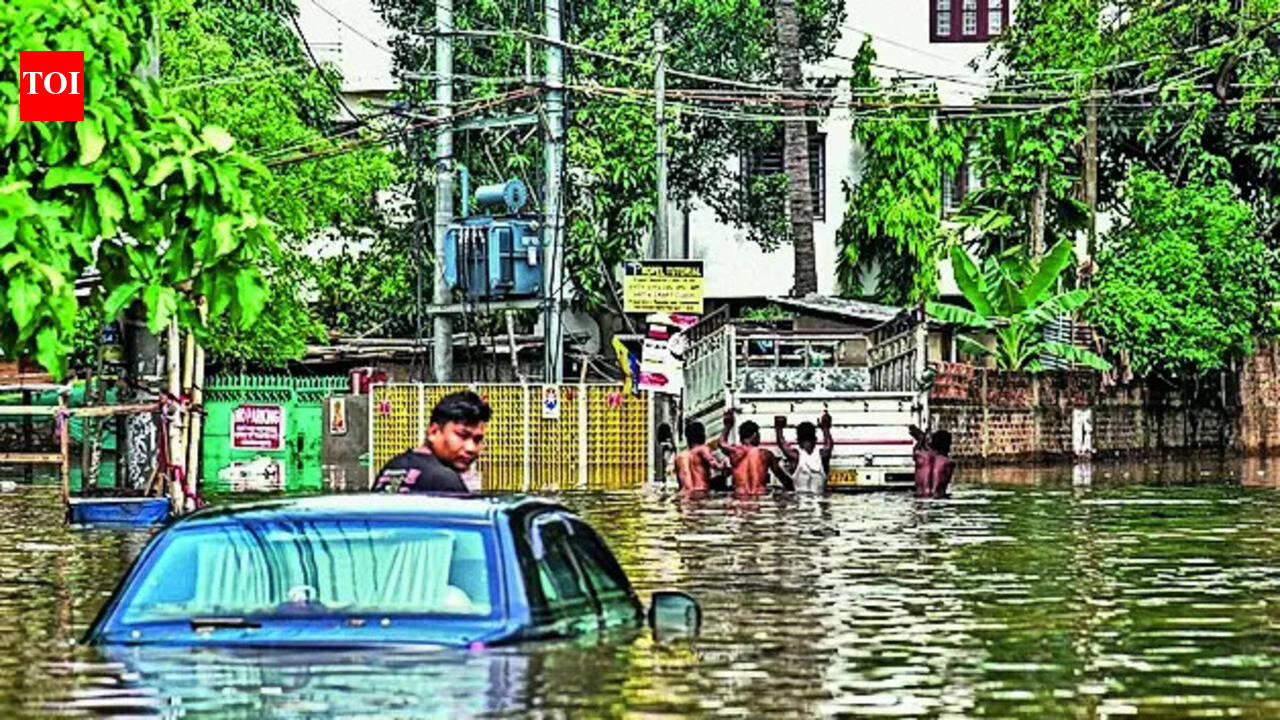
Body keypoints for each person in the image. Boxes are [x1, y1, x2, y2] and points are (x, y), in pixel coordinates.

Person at [372, 391, 491, 494]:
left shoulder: (393, 466)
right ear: (434, 432)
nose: (471, 448)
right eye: (462, 436)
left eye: (478, 440)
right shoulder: (444, 480)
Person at [719, 409, 793, 495]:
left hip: (740, 496)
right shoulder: (765, 454)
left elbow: (721, 442)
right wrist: (793, 487)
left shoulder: (734, 452)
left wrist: (728, 425)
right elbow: (782, 477)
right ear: (755, 435)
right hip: (759, 495)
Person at [775, 412, 834, 493]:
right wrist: (825, 427)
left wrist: (779, 428)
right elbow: (829, 445)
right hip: (819, 501)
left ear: (798, 439)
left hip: (799, 502)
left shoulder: (795, 456)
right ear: (815, 438)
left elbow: (781, 444)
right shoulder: (823, 455)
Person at [672, 420, 726, 494]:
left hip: (685, 494)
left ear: (687, 438)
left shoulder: (679, 457)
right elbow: (713, 464)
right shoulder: (703, 448)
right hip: (702, 491)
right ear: (703, 435)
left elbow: (682, 481)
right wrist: (723, 466)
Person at [910, 425, 956, 498]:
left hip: (921, 498)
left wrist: (921, 439)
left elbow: (917, 449)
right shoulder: (949, 463)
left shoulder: (919, 457)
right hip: (939, 499)